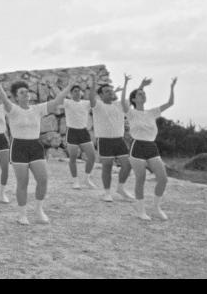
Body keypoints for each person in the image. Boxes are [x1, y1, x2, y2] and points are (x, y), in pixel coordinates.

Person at [0, 78, 74, 225]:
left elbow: (57, 101)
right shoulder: (12, 109)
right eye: (21, 92)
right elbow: (4, 99)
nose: (25, 94)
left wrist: (69, 86)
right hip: (18, 147)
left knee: (43, 180)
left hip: (36, 146)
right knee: (23, 182)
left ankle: (39, 210)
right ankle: (22, 214)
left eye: (26, 91)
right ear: (16, 97)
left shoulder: (37, 109)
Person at [121, 74, 178, 221]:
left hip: (152, 147)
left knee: (163, 179)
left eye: (144, 93)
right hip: (137, 147)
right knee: (141, 179)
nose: (143, 95)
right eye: (140, 94)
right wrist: (126, 83)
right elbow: (123, 101)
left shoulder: (152, 112)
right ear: (134, 99)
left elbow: (170, 103)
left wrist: (172, 87)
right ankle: (141, 211)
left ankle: (156, 208)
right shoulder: (131, 113)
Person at [88, 74, 134, 203]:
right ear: (100, 95)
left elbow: (130, 97)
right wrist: (94, 82)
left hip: (119, 140)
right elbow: (91, 96)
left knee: (128, 164)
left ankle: (120, 188)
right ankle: (107, 193)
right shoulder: (97, 105)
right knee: (107, 167)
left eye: (111, 90)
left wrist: (126, 82)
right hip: (104, 141)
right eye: (107, 91)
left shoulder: (119, 104)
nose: (110, 92)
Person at [63, 83, 97, 190]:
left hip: (83, 132)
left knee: (92, 156)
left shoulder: (86, 103)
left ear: (81, 93)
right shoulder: (67, 102)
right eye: (75, 91)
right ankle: (75, 181)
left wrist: (93, 85)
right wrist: (67, 87)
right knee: (73, 158)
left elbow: (93, 100)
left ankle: (87, 179)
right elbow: (57, 97)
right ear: (71, 93)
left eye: (79, 91)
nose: (77, 93)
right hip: (72, 132)